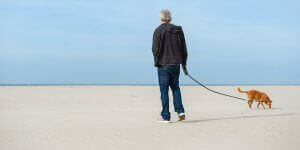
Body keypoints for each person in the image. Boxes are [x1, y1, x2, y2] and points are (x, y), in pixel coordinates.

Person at [152, 9, 188, 123]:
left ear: (161, 18)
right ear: (169, 18)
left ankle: (165, 116)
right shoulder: (178, 31)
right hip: (176, 64)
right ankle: (180, 111)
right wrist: (184, 64)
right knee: (175, 87)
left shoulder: (158, 30)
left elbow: (154, 49)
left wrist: (157, 59)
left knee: (164, 90)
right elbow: (184, 49)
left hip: (163, 64)